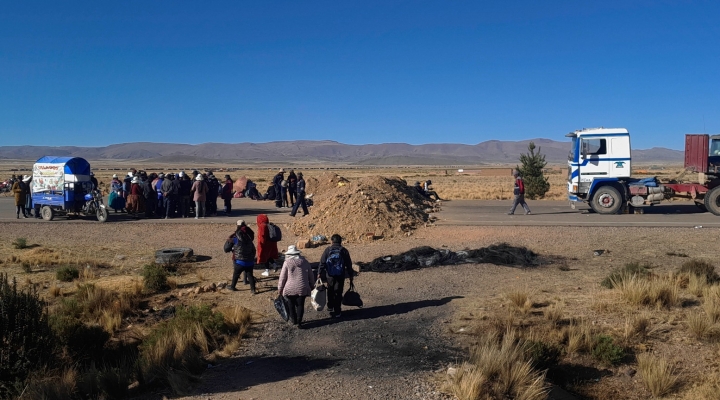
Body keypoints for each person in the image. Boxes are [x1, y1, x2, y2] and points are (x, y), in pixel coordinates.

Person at [277, 245, 314, 328]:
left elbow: (282, 277)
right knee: (300, 305)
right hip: (302, 287)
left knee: (291, 305)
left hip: (289, 288)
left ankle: (294, 320)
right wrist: (312, 284)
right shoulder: (305, 262)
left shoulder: (287, 263)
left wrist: (280, 288)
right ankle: (299, 321)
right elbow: (310, 275)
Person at [319, 234, 353, 318]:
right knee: (338, 292)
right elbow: (349, 264)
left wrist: (319, 273)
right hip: (340, 275)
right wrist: (350, 274)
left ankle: (330, 306)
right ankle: (337, 311)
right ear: (341, 241)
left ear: (332, 241)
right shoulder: (344, 250)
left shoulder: (328, 250)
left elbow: (322, 262)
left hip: (329, 275)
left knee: (330, 290)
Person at [225, 220, 256, 293]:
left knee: (236, 274)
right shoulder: (249, 239)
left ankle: (232, 287)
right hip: (249, 262)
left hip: (240, 262)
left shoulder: (236, 239)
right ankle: (253, 290)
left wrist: (231, 235)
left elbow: (228, 244)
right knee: (250, 275)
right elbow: (253, 250)